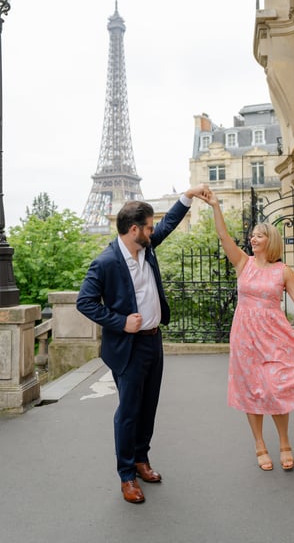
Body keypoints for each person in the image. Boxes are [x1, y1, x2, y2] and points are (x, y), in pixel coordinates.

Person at [76, 184, 209, 503]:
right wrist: (121, 322)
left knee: (148, 407)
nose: (153, 231)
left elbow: (167, 224)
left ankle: (141, 459)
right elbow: (85, 302)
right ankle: (126, 476)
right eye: (148, 227)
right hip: (129, 348)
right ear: (134, 229)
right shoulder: (106, 261)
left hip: (154, 341)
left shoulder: (146, 247)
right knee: (129, 412)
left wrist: (188, 196)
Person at [201, 189, 294, 472]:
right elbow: (223, 237)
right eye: (252, 235)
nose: (253, 238)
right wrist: (216, 206)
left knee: (276, 386)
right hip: (244, 335)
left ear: (270, 241)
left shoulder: (283, 271)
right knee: (251, 389)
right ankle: (259, 444)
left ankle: (284, 441)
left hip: (274, 334)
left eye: (259, 235)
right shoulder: (243, 263)